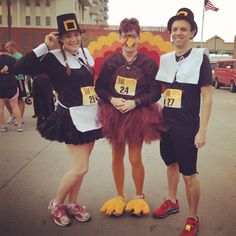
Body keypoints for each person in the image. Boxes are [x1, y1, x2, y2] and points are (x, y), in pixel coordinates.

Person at [14, 13, 103, 227]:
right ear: (60, 38)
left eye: (76, 35)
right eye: (67, 36)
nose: (73, 39)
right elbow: (20, 68)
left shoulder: (86, 54)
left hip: (91, 115)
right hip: (71, 118)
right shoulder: (52, 57)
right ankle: (56, 203)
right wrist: (44, 45)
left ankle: (72, 203)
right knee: (80, 168)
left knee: (83, 167)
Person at [95, 18, 165, 217]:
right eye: (126, 36)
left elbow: (155, 92)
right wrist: (112, 98)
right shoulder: (111, 62)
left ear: (138, 38)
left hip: (138, 115)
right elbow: (100, 87)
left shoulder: (147, 64)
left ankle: (139, 196)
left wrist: (135, 102)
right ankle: (120, 195)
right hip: (114, 115)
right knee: (116, 156)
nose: (129, 41)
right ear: (120, 37)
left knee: (135, 158)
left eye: (133, 36)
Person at [153, 8, 213, 236]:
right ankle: (171, 201)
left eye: (183, 29)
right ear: (170, 33)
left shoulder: (201, 58)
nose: (178, 33)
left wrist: (202, 130)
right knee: (170, 164)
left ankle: (192, 216)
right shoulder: (165, 59)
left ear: (192, 33)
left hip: (187, 126)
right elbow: (161, 92)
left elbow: (207, 96)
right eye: (174, 29)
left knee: (189, 173)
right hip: (165, 123)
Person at [0, 45, 23, 132]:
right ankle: (19, 125)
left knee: (0, 107)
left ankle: (2, 126)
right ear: (6, 51)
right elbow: (17, 71)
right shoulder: (12, 59)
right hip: (11, 84)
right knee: (15, 105)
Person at [5, 41, 26, 124]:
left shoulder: (20, 56)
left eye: (8, 47)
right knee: (6, 98)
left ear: (13, 47)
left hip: (19, 79)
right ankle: (12, 114)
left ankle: (19, 118)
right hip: (9, 80)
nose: (6, 49)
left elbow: (22, 68)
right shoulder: (8, 56)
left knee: (20, 99)